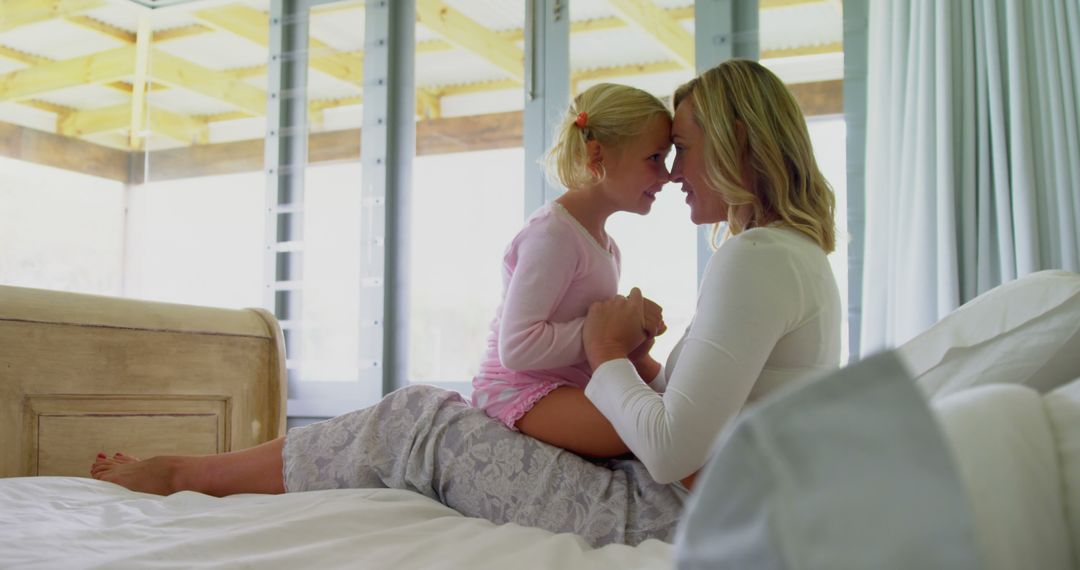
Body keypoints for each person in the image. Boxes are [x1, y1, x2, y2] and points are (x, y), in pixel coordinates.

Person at [91, 59, 840, 548]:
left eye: (684, 146)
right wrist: (632, 365)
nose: (675, 172)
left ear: (738, 141)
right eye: (661, 153)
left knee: (414, 419)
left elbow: (673, 447)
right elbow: (692, 431)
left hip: (667, 517)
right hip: (692, 504)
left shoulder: (758, 259)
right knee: (425, 416)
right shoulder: (789, 257)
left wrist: (609, 354)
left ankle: (187, 475)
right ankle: (191, 472)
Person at [472, 82, 671, 458]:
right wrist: (607, 332)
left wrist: (635, 339)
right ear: (598, 155)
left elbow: (595, 339)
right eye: (655, 158)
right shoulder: (554, 234)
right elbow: (516, 348)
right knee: (634, 435)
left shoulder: (607, 246)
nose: (667, 176)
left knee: (664, 422)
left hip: (568, 385)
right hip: (518, 389)